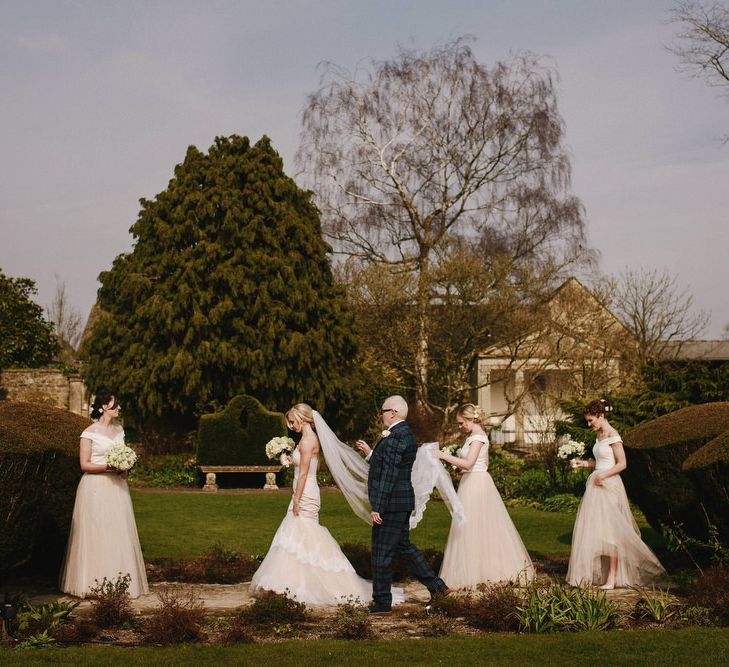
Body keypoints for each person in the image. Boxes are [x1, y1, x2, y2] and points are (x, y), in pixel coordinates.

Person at [250, 403, 405, 606]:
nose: (290, 426)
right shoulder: (309, 440)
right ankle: (294, 582)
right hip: (305, 490)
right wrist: (289, 461)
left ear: (303, 419)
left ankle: (306, 584)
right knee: (298, 536)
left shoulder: (307, 441)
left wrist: (297, 498)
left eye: (292, 421)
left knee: (300, 533)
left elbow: (305, 473)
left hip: (305, 494)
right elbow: (315, 465)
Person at [356, 395, 449, 614]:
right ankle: (438, 587)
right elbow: (388, 465)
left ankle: (382, 602)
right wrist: (371, 454)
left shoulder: (397, 436)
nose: (381, 415)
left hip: (392, 504)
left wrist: (377, 506)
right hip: (399, 501)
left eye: (382, 411)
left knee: (381, 552)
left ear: (393, 413)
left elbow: (389, 475)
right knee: (403, 547)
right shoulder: (399, 433)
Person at [566, 399, 665, 589]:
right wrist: (585, 464)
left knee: (612, 533)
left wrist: (603, 474)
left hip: (609, 486)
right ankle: (603, 575)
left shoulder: (613, 436)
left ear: (601, 416)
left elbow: (621, 464)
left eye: (591, 420)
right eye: (587, 421)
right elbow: (602, 462)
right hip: (597, 486)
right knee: (598, 530)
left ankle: (612, 578)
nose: (589, 424)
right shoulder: (599, 437)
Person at [59, 391, 148, 599]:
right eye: (115, 405)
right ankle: (92, 583)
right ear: (104, 407)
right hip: (95, 488)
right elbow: (85, 464)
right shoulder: (88, 433)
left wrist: (124, 467)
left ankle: (119, 582)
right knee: (96, 534)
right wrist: (109, 466)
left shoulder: (119, 430)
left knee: (117, 532)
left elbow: (123, 455)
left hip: (117, 488)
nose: (119, 408)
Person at [436, 404, 534, 588]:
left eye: (461, 423)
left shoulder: (478, 437)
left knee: (476, 527)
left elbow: (469, 463)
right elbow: (484, 462)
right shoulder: (474, 437)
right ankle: (479, 569)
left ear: (471, 420)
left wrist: (443, 455)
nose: (459, 426)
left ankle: (487, 571)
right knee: (474, 528)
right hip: (472, 481)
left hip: (476, 485)